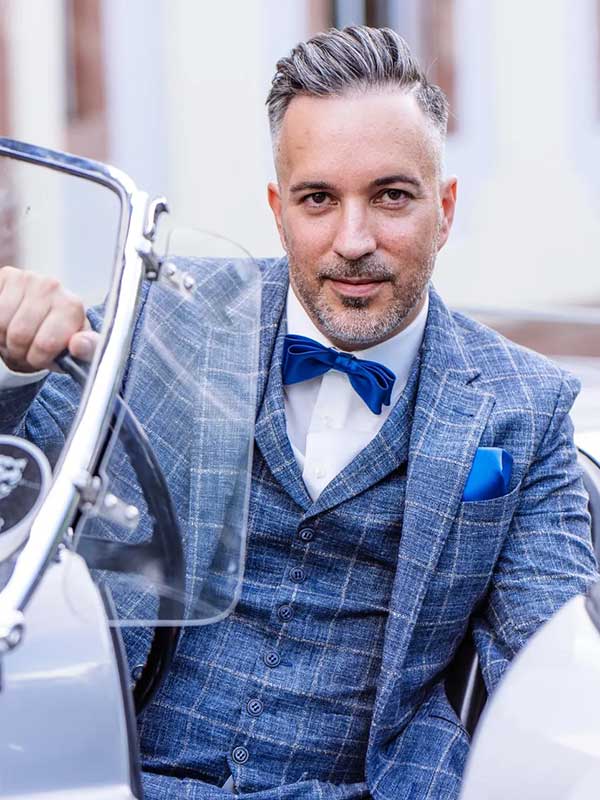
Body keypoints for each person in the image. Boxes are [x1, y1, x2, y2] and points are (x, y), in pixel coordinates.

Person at [0, 25, 597, 800]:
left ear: (444, 209)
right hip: (117, 775)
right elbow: (17, 500)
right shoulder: (160, 317)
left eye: (391, 196)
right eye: (319, 199)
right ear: (279, 211)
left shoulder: (525, 409)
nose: (353, 240)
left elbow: (556, 656)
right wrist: (15, 366)